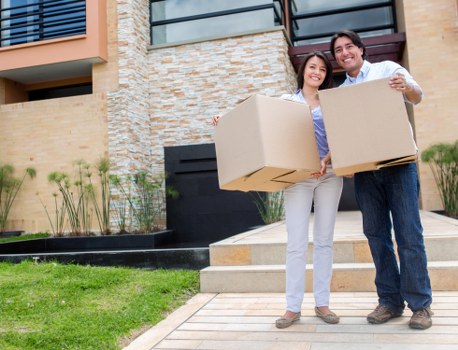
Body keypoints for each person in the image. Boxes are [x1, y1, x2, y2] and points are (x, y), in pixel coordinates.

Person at [213, 51, 343, 327]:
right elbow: (255, 105)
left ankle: (322, 304)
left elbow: (343, 136)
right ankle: (292, 308)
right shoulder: (288, 101)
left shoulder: (333, 103)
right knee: (296, 243)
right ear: (303, 71)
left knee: (324, 242)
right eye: (312, 67)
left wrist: (325, 160)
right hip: (299, 178)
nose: (316, 72)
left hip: (329, 175)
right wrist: (225, 115)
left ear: (326, 75)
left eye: (322, 69)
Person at [329, 30, 433, 330]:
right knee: (376, 235)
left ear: (361, 50)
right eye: (338, 50)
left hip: (399, 165)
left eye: (349, 46)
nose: (344, 52)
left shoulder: (387, 69)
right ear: (336, 58)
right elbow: (345, 134)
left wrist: (406, 87)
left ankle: (421, 305)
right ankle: (389, 301)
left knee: (408, 234)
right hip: (365, 171)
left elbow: (417, 95)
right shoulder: (341, 92)